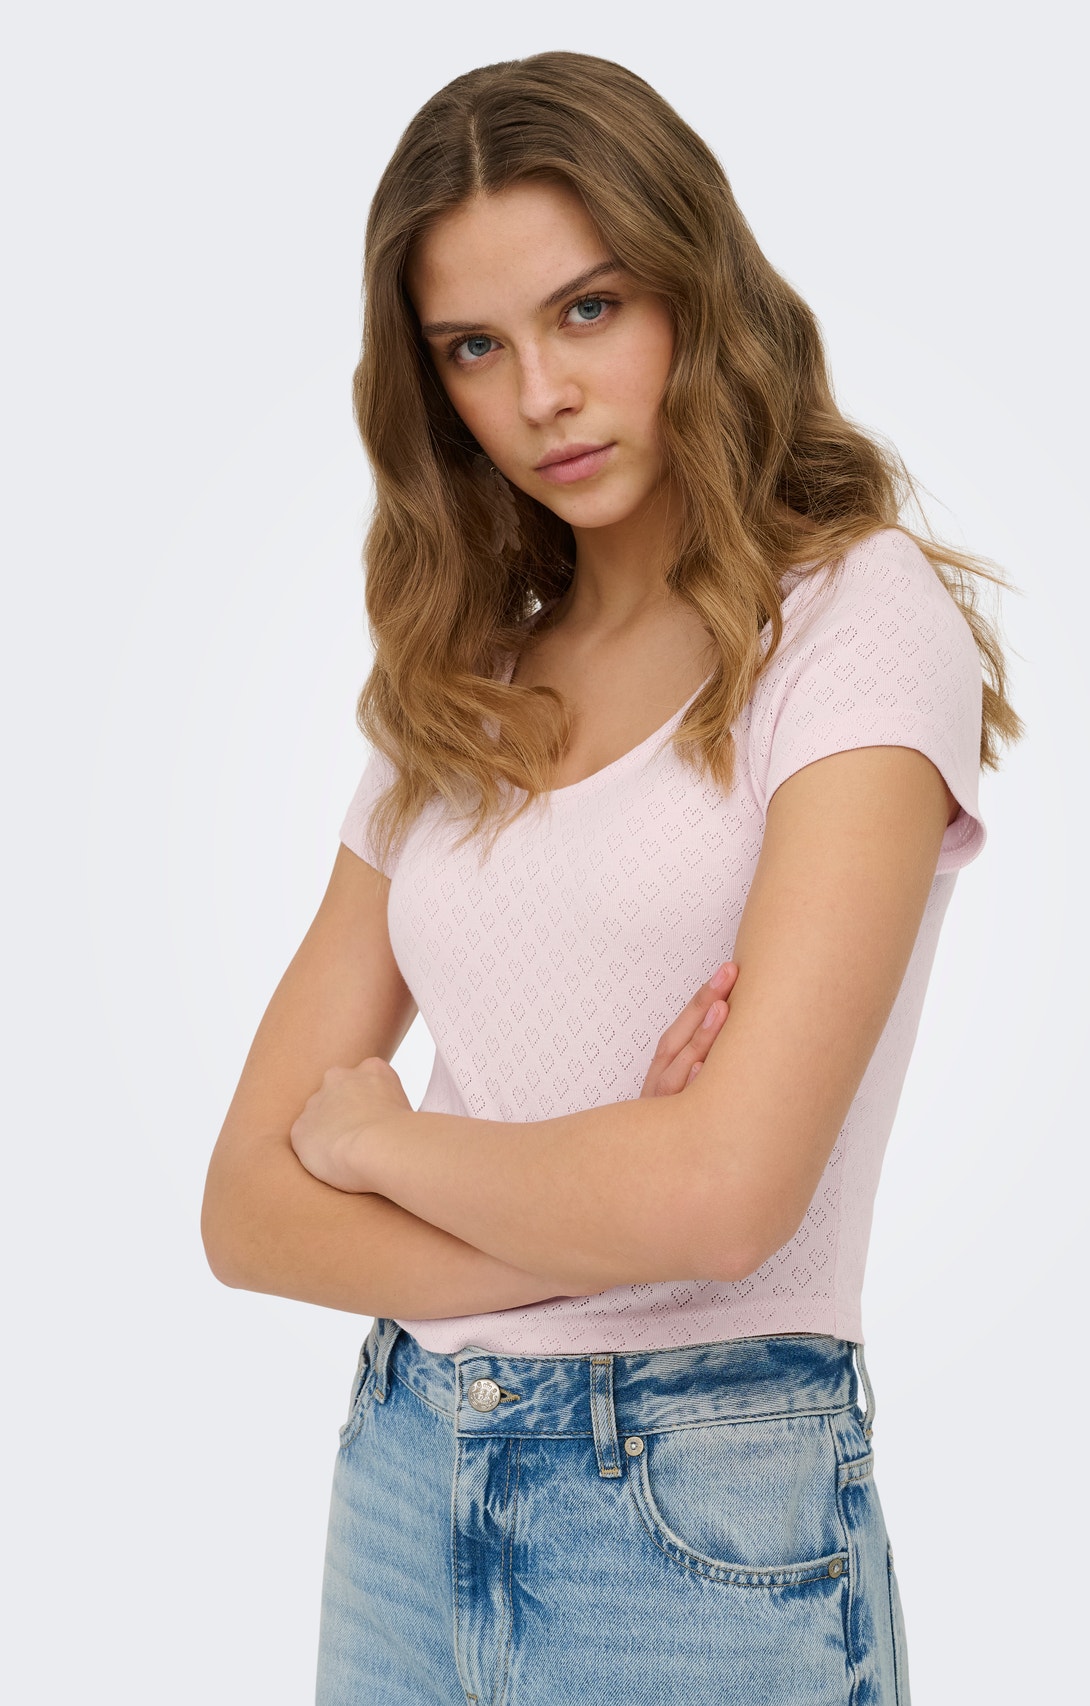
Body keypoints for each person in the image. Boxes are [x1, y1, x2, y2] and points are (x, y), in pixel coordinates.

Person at [201, 49, 1020, 1706]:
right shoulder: (463, 688)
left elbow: (727, 1199)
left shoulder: (855, 624)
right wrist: (593, 1210)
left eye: (589, 309)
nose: (542, 395)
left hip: (696, 1514)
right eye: (474, 346)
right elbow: (244, 1208)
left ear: (693, 289)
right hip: (404, 1480)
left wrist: (382, 1144)